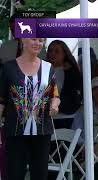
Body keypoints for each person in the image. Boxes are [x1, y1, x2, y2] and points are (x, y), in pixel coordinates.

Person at [0, 38, 60, 180]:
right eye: (34, 39)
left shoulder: (48, 67)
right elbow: (1, 101)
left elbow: (55, 95)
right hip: (15, 132)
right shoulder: (8, 68)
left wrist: (55, 104)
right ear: (23, 40)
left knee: (40, 175)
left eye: (41, 40)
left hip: (42, 132)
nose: (38, 43)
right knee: (14, 174)